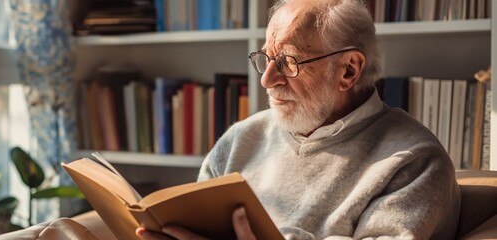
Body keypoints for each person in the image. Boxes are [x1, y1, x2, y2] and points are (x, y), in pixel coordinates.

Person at [137, 0, 461, 239]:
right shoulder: (241, 139)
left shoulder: (414, 162)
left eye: (289, 62)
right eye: (266, 58)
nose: (267, 79)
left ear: (348, 70)